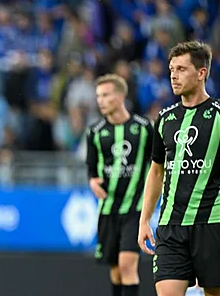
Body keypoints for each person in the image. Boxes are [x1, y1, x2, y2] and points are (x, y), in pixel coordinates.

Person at [138, 41, 220, 296]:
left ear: (201, 73)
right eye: (171, 69)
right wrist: (144, 220)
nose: (173, 75)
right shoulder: (165, 118)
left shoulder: (219, 115)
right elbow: (156, 171)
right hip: (171, 227)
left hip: (213, 224)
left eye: (181, 69)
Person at [85, 74, 153, 296]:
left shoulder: (144, 128)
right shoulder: (94, 132)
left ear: (121, 96)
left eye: (106, 95)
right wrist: (93, 182)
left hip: (135, 209)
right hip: (107, 209)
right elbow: (92, 169)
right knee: (115, 271)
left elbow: (158, 164)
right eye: (98, 96)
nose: (101, 101)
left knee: (127, 266)